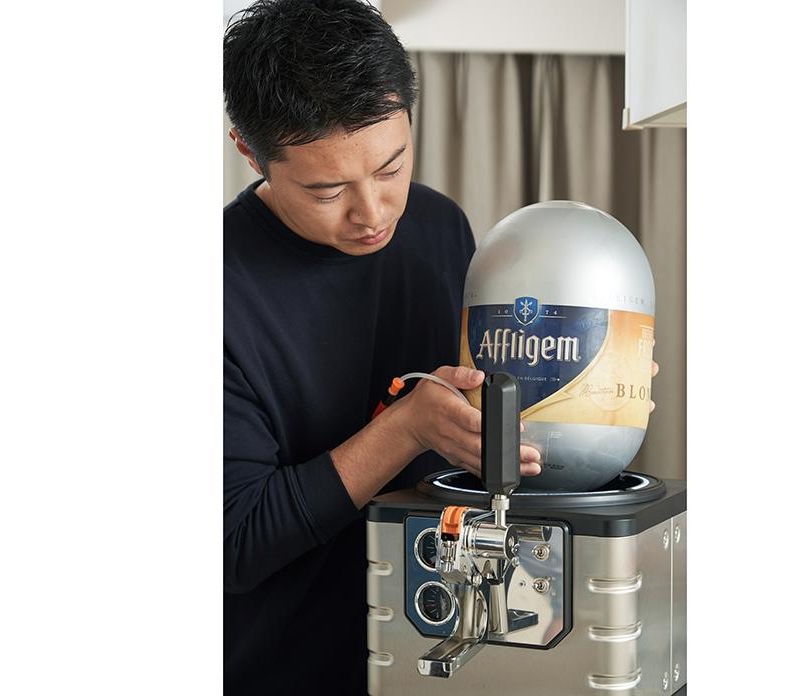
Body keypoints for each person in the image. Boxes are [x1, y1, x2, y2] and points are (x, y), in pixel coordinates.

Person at [221, 1, 544, 693]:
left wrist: (586, 387)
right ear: (249, 151)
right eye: (327, 190)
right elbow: (236, 543)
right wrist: (403, 429)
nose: (373, 213)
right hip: (280, 671)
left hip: (438, 657)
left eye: (391, 167)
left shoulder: (439, 226)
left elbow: (472, 410)